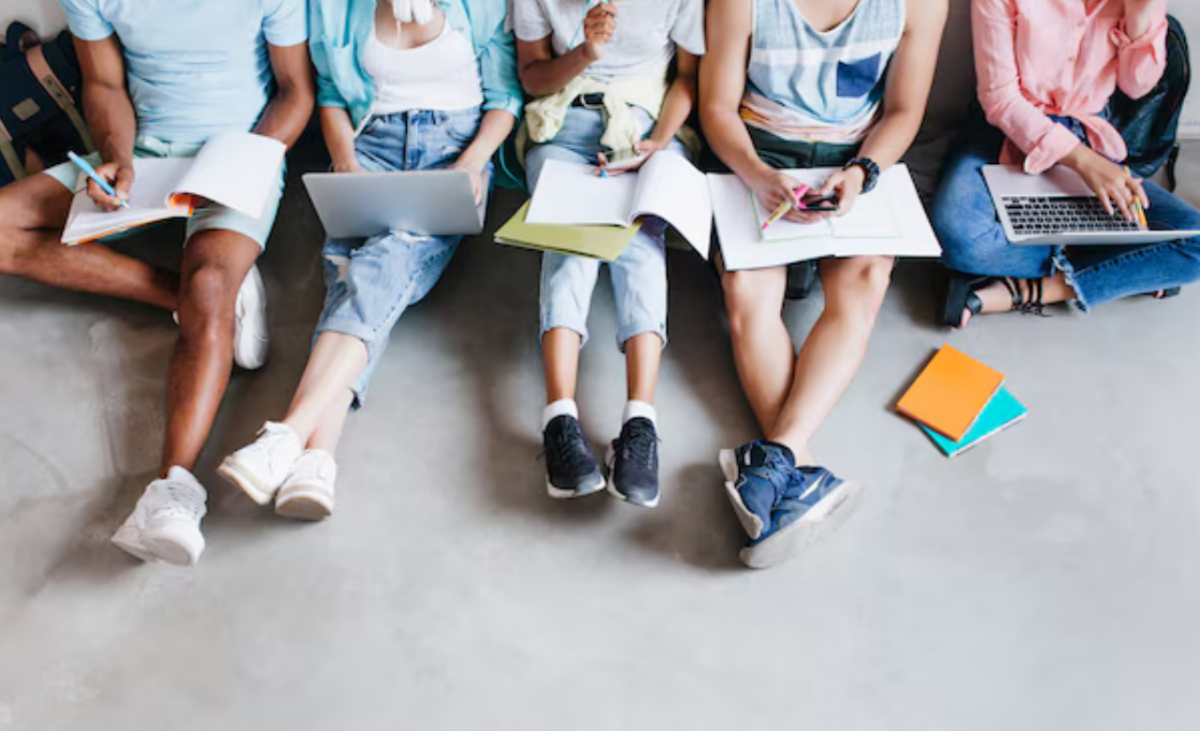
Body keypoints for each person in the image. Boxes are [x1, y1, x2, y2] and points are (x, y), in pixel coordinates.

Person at [0, 0, 313, 566]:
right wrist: (118, 158)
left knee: (211, 282)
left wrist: (246, 162)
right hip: (144, 152)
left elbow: (295, 92)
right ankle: (191, 298)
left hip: (242, 151)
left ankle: (173, 491)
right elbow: (103, 84)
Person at [218, 0, 521, 521]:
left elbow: (505, 96)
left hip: (450, 152)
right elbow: (332, 95)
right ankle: (315, 458)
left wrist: (472, 165)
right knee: (349, 275)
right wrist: (344, 160)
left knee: (385, 263)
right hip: (369, 147)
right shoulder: (335, 8)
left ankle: (288, 433)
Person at [700, 0, 947, 567]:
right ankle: (800, 469)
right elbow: (717, 107)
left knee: (867, 282)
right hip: (756, 154)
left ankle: (777, 459)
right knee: (747, 292)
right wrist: (758, 175)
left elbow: (904, 111)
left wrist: (863, 172)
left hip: (856, 160)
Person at [514, 0, 705, 508]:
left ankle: (640, 420)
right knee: (571, 246)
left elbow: (688, 77)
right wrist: (585, 52)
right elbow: (532, 77)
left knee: (640, 245)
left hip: (646, 128)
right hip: (562, 126)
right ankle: (560, 416)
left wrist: (660, 142)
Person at [933, 0, 1200, 328]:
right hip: (1007, 131)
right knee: (958, 240)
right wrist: (1083, 161)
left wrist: (1140, 11)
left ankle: (1033, 289)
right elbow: (1000, 99)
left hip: (1091, 134)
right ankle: (1128, 267)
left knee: (1195, 240)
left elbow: (1136, 86)